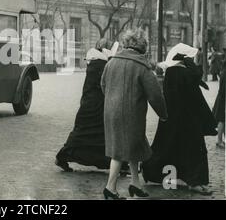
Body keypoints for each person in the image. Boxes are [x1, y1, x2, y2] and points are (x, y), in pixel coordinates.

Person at [142, 43, 218, 195]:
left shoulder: (172, 71)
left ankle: (151, 170)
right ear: (184, 58)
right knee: (193, 151)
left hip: (175, 119)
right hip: (188, 119)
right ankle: (195, 181)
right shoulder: (181, 72)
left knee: (169, 148)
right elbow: (196, 77)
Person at [101, 29, 167, 200]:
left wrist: (113, 101)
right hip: (131, 115)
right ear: (142, 46)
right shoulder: (142, 67)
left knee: (133, 146)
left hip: (111, 112)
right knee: (120, 151)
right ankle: (110, 188)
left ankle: (135, 184)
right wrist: (163, 114)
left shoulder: (111, 62)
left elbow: (103, 85)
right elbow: (155, 95)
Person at [55, 39, 119, 172]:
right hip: (96, 106)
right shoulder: (102, 64)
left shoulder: (95, 62)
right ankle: (115, 163)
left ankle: (63, 156)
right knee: (99, 136)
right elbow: (106, 85)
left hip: (90, 105)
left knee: (82, 135)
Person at [212, 60, 226, 149]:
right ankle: (219, 140)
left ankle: (221, 140)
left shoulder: (223, 73)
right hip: (223, 99)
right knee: (222, 120)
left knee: (223, 120)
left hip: (221, 98)